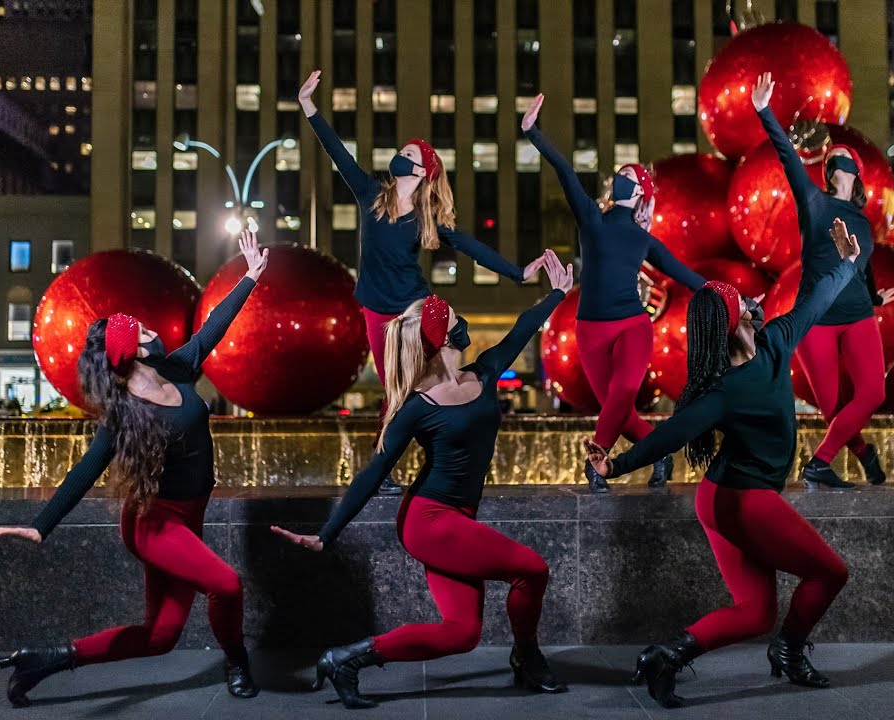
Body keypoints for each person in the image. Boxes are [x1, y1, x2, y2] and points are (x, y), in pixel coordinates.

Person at [271, 252, 576, 709]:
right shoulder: (416, 407)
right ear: (444, 335)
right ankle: (527, 656)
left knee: (462, 634)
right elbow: (373, 473)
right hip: (429, 520)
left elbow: (523, 326)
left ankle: (346, 660)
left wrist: (556, 294)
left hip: (457, 517)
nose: (463, 320)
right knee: (532, 569)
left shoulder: (485, 372)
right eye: (455, 317)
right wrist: (326, 536)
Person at [583, 216, 863, 708]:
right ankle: (790, 652)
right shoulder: (724, 389)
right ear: (739, 317)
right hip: (741, 499)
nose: (752, 299)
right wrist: (616, 466)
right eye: (742, 298)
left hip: (721, 496)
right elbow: (666, 437)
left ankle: (665, 657)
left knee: (754, 612)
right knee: (830, 573)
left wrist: (848, 262)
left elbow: (818, 298)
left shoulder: (777, 340)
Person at [0, 232, 269, 707]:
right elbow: (85, 470)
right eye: (138, 329)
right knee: (226, 584)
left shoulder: (178, 368)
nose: (148, 328)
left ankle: (46, 660)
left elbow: (214, 328)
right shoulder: (124, 415)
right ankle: (237, 660)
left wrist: (250, 277)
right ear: (133, 352)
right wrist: (41, 526)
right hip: (154, 523)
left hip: (189, 513)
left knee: (160, 637)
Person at [300, 69, 548, 494]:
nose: (399, 155)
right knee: (395, 392)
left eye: (407, 153)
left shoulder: (426, 218)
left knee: (441, 377)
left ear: (421, 170)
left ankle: (459, 446)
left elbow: (471, 245)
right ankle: (385, 471)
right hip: (378, 311)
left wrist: (518, 271)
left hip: (415, 309)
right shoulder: (370, 194)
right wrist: (309, 107)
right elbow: (337, 153)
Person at [521, 92, 708, 493]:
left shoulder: (643, 239)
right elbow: (565, 171)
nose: (624, 176)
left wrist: (735, 299)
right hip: (589, 329)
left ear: (640, 193)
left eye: (632, 176)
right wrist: (533, 132)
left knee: (622, 393)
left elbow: (683, 274)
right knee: (616, 409)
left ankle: (598, 461)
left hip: (633, 326)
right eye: (622, 173)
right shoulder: (591, 217)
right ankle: (660, 454)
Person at [752, 71, 894, 488]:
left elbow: (862, 263)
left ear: (854, 173)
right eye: (830, 162)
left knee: (872, 393)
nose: (834, 164)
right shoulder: (813, 202)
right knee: (833, 408)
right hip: (815, 318)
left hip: (857, 314)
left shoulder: (864, 222)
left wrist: (874, 296)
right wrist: (765, 112)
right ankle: (866, 456)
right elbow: (787, 156)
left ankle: (819, 462)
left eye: (841, 161)